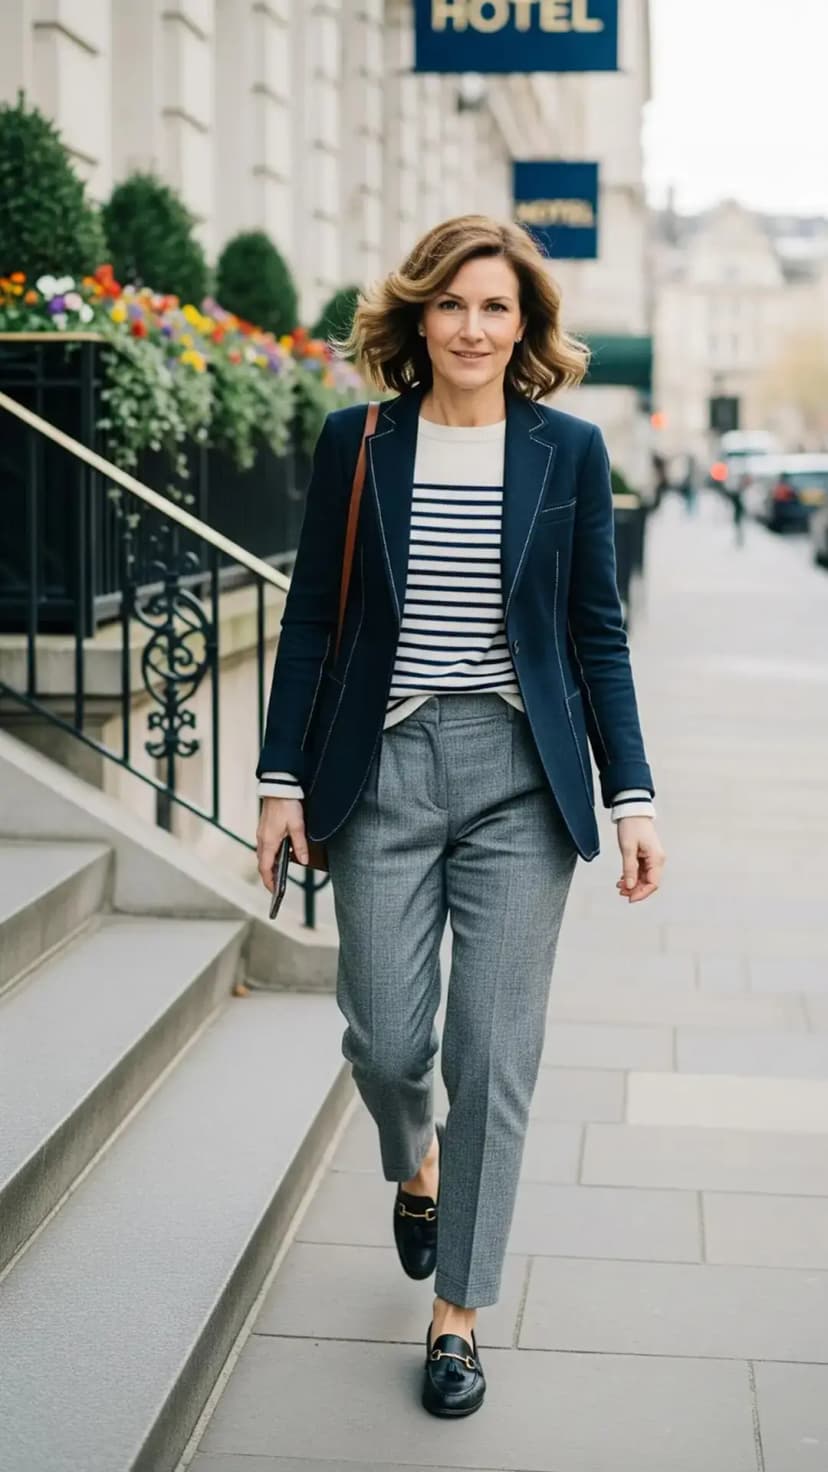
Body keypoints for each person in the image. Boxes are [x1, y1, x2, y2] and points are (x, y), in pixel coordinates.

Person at [255, 215, 665, 1419]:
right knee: (386, 1038)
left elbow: (597, 631)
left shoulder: (568, 450)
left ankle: (460, 1315)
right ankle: (414, 1162)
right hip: (378, 765)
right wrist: (283, 778)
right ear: (417, 318)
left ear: (525, 326)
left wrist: (631, 793)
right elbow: (312, 624)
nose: (472, 328)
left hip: (521, 777)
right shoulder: (359, 441)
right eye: (452, 306)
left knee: (493, 1053)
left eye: (496, 309)